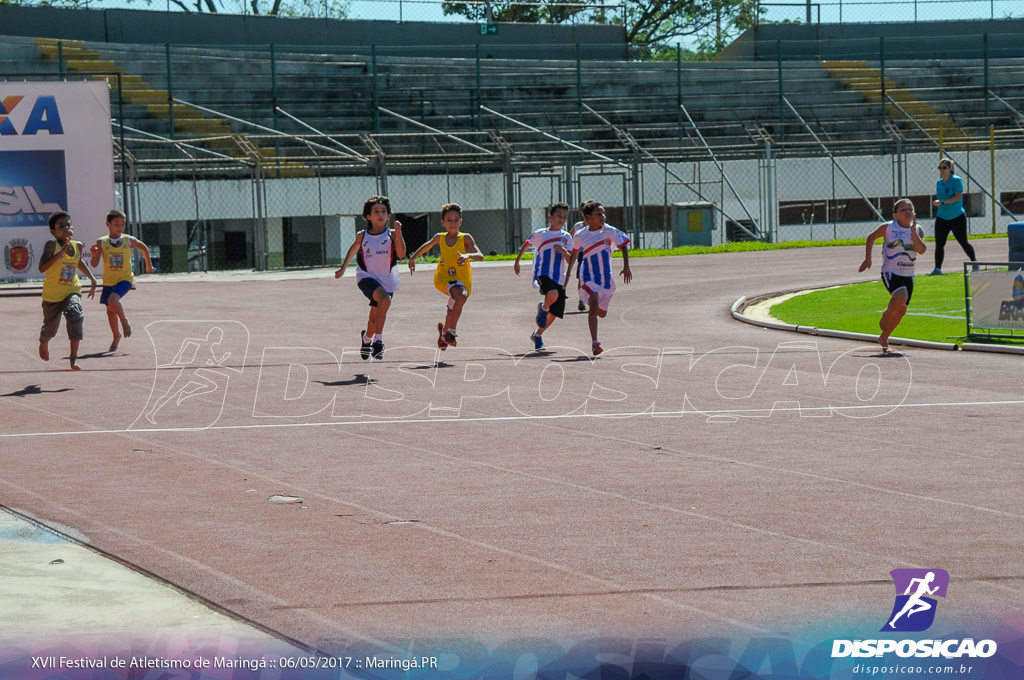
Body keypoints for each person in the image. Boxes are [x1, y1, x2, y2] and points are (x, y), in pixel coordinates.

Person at [335, 195, 406, 360]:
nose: (380, 214)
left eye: (383, 211)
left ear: (388, 215)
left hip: (386, 280)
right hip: (366, 277)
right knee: (385, 300)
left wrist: (400, 233)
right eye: (376, 211)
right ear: (368, 216)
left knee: (374, 319)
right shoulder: (363, 235)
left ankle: (367, 339)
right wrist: (342, 268)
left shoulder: (392, 235)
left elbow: (401, 254)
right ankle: (378, 342)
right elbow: (353, 250)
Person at [407, 203, 483, 350]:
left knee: (453, 307)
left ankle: (444, 331)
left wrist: (468, 255)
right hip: (443, 278)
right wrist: (413, 258)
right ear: (443, 222)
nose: (452, 223)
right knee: (460, 296)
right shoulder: (439, 238)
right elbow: (427, 246)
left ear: (461, 222)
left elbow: (480, 256)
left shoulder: (466, 238)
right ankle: (451, 333)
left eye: (456, 220)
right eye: (449, 220)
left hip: (463, 280)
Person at [858, 198, 927, 353]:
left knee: (901, 310)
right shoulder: (888, 227)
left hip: (909, 273)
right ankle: (888, 313)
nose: (907, 211)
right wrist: (868, 258)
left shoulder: (918, 229)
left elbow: (921, 250)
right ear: (895, 215)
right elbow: (871, 237)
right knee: (901, 297)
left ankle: (884, 337)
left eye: (910, 209)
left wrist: (913, 231)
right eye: (903, 209)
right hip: (891, 271)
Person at [38, 210, 98, 370]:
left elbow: (79, 262)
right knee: (50, 329)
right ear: (53, 231)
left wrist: (92, 279)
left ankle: (73, 358)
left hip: (71, 290)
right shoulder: (51, 245)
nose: (66, 228)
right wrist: (60, 253)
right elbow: (42, 268)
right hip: (52, 296)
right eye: (61, 226)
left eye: (68, 225)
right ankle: (44, 341)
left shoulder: (77, 245)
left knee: (75, 314)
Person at [571, 200, 632, 357]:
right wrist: (568, 275)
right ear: (588, 217)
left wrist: (626, 266)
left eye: (603, 213)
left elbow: (623, 245)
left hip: (605, 279)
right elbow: (574, 253)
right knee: (593, 302)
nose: (603, 216)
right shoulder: (580, 234)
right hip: (588, 277)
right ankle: (595, 343)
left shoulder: (609, 231)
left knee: (601, 313)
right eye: (599, 214)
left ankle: (592, 303)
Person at [89, 209, 154, 352]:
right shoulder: (102, 242)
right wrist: (94, 255)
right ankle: (116, 335)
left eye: (122, 224)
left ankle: (125, 322)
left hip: (125, 279)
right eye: (116, 224)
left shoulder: (127, 240)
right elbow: (94, 264)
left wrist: (149, 265)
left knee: (113, 300)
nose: (120, 227)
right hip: (108, 281)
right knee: (110, 311)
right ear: (108, 224)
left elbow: (143, 247)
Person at [513, 201, 573, 350]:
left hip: (560, 277)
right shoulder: (541, 234)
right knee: (552, 294)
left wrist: (564, 252)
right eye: (558, 216)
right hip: (543, 273)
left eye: (564, 217)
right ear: (550, 217)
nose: (561, 219)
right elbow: (527, 244)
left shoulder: (566, 237)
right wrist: (517, 261)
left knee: (555, 313)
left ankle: (537, 335)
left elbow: (571, 259)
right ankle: (544, 307)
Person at [930, 157, 976, 275]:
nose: (941, 170)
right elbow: (941, 197)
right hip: (942, 217)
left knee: (963, 242)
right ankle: (937, 269)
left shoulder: (956, 180)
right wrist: (939, 202)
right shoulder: (939, 183)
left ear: (950, 169)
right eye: (939, 168)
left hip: (957, 216)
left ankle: (974, 262)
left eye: (944, 167)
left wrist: (942, 202)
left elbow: (957, 197)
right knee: (939, 244)